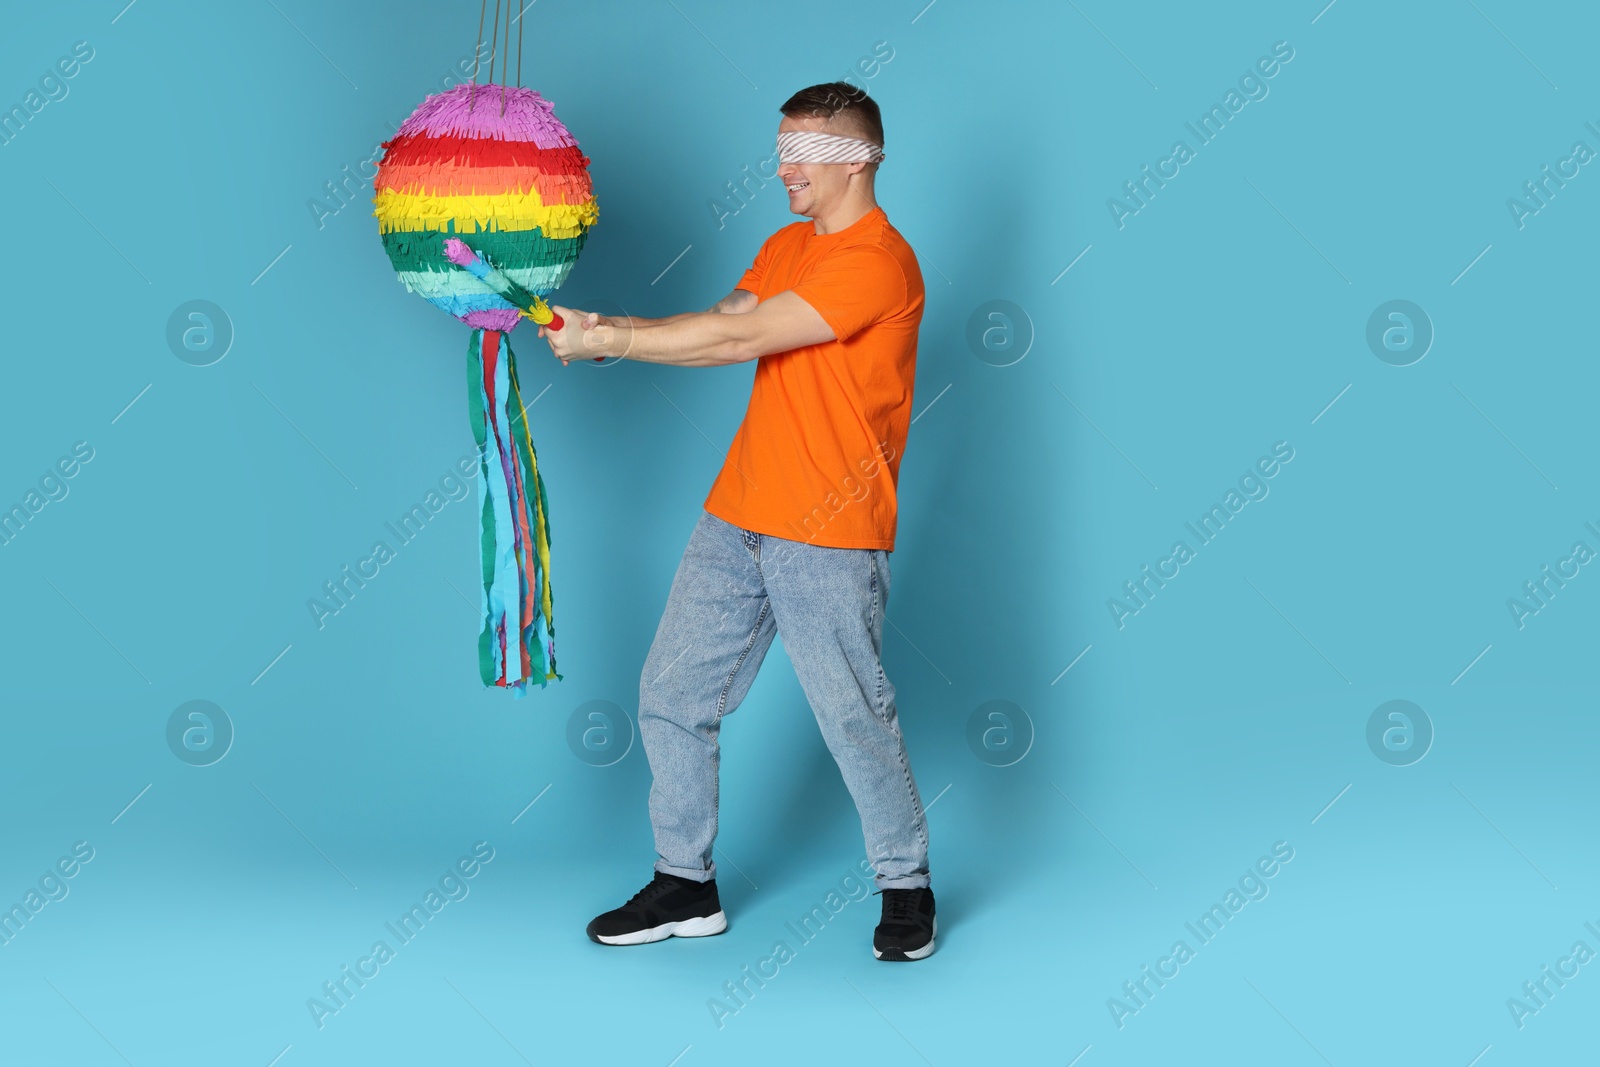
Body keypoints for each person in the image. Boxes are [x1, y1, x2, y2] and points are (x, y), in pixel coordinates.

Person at [539, 82, 934, 961]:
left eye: (808, 153)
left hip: (828, 529)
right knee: (672, 695)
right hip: (738, 511)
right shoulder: (788, 244)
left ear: (861, 158)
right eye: (782, 147)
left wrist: (614, 341)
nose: (785, 167)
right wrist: (611, 324)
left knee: (852, 712)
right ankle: (686, 883)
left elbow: (741, 344)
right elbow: (727, 318)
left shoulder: (878, 261)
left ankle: (905, 884)